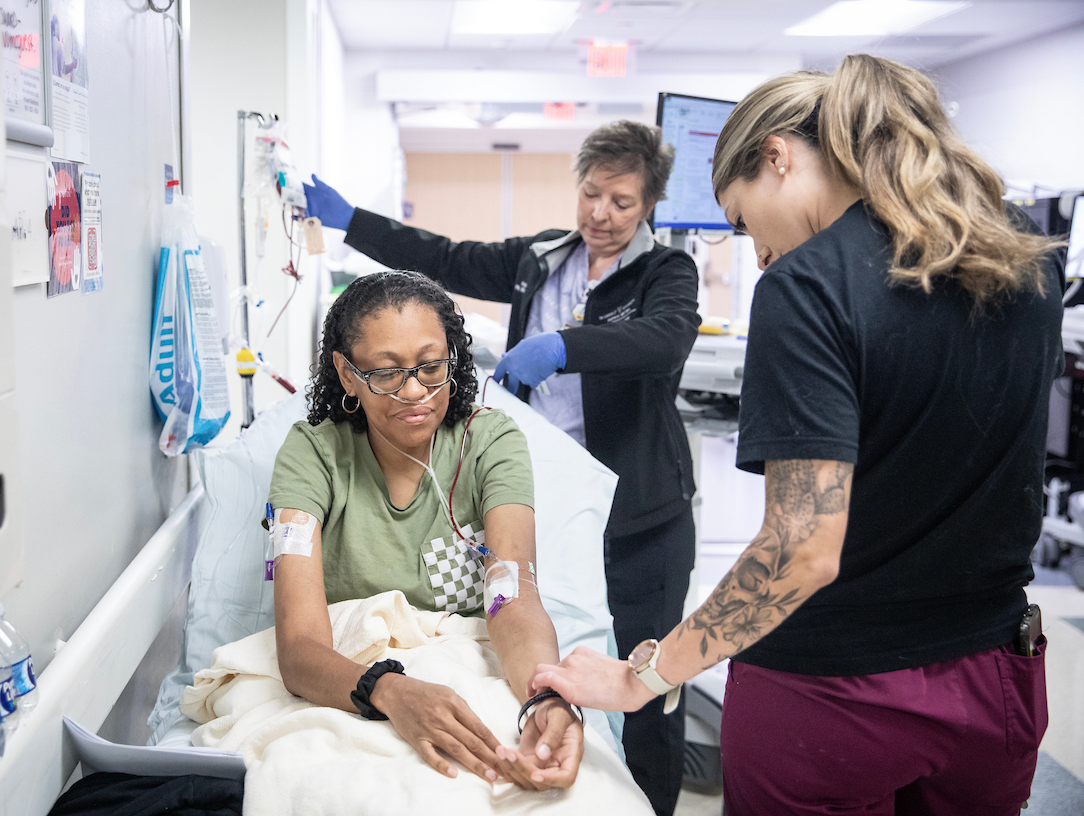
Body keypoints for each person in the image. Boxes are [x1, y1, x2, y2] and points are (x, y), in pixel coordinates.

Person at [530, 54, 1060, 815]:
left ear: (777, 156)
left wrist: (641, 675)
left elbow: (800, 551)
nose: (759, 252)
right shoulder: (1017, 252)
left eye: (744, 222)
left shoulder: (809, 284)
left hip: (835, 698)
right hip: (993, 676)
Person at [304, 121, 701, 816]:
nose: (601, 215)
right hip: (549, 492)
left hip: (640, 515)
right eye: (591, 195)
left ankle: (650, 803)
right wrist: (352, 221)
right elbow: (447, 258)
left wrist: (564, 347)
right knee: (558, 645)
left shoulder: (666, 273)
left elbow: (663, 340)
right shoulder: (542, 257)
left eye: (622, 203)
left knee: (648, 682)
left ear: (650, 207)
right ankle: (557, 727)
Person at [268, 271, 584, 792]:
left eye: (431, 366)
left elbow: (514, 602)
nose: (415, 391)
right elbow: (299, 648)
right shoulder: (314, 456)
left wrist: (545, 696)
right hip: (354, 683)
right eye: (387, 373)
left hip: (474, 668)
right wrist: (391, 691)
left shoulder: (489, 444)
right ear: (347, 375)